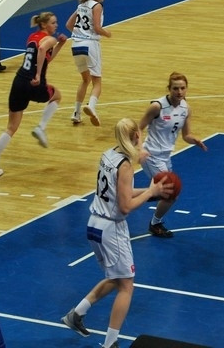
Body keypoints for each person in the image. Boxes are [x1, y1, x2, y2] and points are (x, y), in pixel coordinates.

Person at [60, 118, 172, 348]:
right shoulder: (126, 166)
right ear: (136, 136)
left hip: (94, 224)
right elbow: (125, 206)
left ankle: (76, 315)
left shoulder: (108, 155)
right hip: (112, 229)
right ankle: (110, 343)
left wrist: (151, 192)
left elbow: (121, 191)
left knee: (115, 278)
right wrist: (150, 191)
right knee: (127, 286)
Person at [0, 12, 66, 176]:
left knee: (11, 127)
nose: (56, 25)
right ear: (44, 25)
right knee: (57, 95)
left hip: (19, 81)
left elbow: (45, 56)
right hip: (33, 82)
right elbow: (42, 49)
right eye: (53, 22)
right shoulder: (50, 39)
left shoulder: (32, 37)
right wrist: (38, 75)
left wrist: (61, 45)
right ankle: (41, 127)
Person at [138, 72, 207, 238]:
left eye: (183, 88)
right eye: (175, 88)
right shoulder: (157, 107)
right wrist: (140, 149)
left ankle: (136, 196)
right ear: (169, 89)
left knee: (165, 193)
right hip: (151, 155)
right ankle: (154, 222)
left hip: (166, 156)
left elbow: (186, 135)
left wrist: (194, 140)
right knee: (171, 193)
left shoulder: (186, 108)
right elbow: (138, 128)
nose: (179, 92)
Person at [66, 0, 111, 126]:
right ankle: (91, 106)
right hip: (90, 45)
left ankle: (76, 113)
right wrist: (107, 33)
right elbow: (97, 28)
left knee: (85, 80)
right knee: (97, 82)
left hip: (76, 45)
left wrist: (80, 33)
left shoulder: (81, 6)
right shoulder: (97, 6)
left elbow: (68, 25)